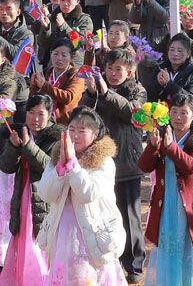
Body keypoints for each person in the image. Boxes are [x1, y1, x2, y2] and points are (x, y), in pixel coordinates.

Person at [37, 106, 127, 284]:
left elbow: (88, 193)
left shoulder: (104, 161)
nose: (75, 136)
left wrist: (73, 166)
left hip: (90, 236)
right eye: (71, 130)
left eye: (82, 131)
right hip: (61, 233)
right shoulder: (57, 156)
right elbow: (45, 193)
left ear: (95, 135)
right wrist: (60, 170)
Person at [80, 48, 147, 283]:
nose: (113, 73)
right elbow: (84, 115)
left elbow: (132, 112)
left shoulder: (137, 89)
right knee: (104, 214)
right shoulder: (97, 90)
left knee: (130, 216)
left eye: (119, 69)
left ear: (129, 71)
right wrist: (90, 94)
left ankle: (134, 264)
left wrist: (106, 93)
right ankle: (110, 260)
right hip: (100, 164)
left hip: (127, 163)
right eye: (109, 68)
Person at [138, 92, 193, 285]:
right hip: (167, 203)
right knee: (169, 249)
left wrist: (171, 147)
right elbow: (144, 166)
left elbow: (192, 166)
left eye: (184, 113)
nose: (178, 117)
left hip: (192, 204)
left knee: (191, 249)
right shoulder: (163, 133)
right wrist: (152, 146)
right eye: (174, 111)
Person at [0, 95, 65, 283]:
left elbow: (49, 166)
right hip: (22, 196)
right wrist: (13, 147)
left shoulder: (57, 136)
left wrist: (28, 146)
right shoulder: (19, 132)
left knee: (41, 245)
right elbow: (6, 166)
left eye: (41, 114)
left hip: (45, 200)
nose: (35, 119)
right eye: (31, 113)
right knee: (23, 241)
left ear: (50, 114)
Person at [129, 0, 170, 93]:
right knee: (144, 89)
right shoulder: (145, 0)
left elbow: (165, 17)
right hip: (144, 51)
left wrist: (150, 1)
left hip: (161, 51)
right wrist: (137, 4)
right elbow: (134, 19)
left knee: (159, 90)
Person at [29, 38, 84, 125]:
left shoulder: (77, 75)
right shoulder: (46, 72)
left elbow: (68, 97)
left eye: (64, 55)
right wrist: (34, 87)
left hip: (65, 123)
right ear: (51, 54)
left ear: (71, 57)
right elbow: (34, 99)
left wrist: (45, 86)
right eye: (55, 54)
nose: (59, 58)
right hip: (44, 122)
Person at [36, 0, 93, 68]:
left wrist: (64, 26)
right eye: (62, 0)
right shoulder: (53, 17)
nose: (65, 4)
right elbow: (43, 44)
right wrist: (46, 29)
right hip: (53, 63)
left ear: (77, 1)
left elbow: (80, 44)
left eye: (69, 1)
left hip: (74, 64)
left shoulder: (84, 19)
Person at [148, 32, 193, 106]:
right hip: (162, 114)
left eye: (179, 50)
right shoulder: (160, 69)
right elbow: (150, 97)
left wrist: (168, 84)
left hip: (185, 114)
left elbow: (190, 99)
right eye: (172, 50)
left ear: (188, 54)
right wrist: (158, 85)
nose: (175, 54)